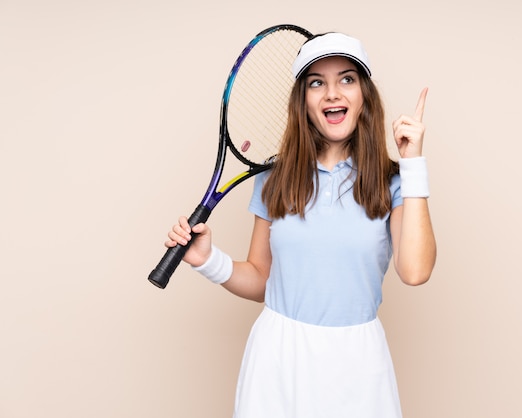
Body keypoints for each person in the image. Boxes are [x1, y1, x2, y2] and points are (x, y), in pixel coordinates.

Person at [165, 32, 436, 418]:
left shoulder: (392, 180)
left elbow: (415, 271)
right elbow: (261, 278)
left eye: (347, 79)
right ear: (303, 102)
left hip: (358, 363)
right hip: (278, 358)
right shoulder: (275, 177)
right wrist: (209, 261)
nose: (332, 94)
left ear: (364, 96)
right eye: (316, 83)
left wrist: (413, 166)